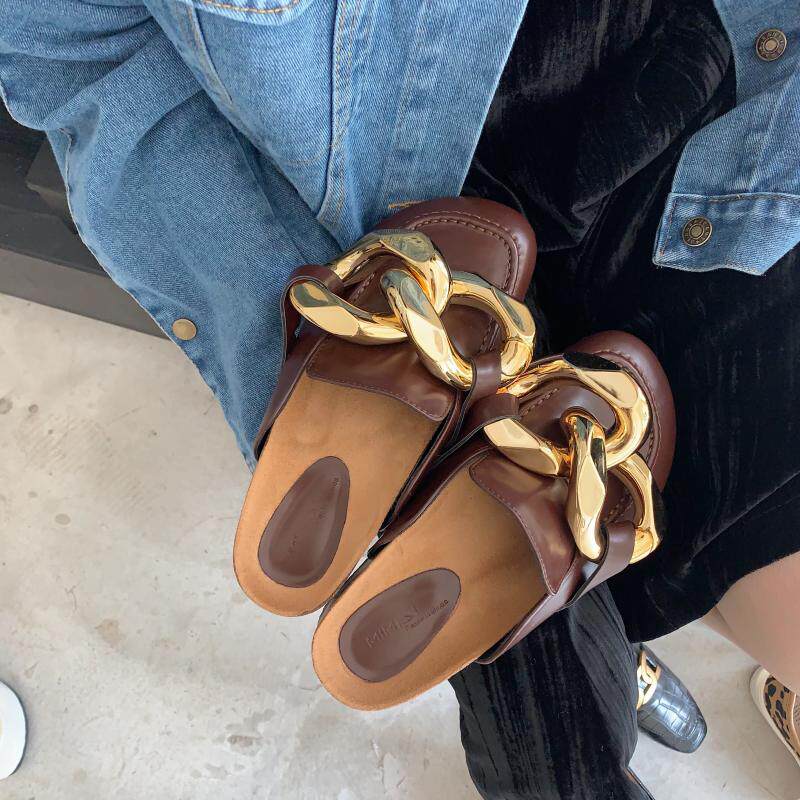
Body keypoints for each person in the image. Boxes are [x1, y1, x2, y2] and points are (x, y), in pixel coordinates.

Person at [1, 1, 798, 797]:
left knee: (551, 672)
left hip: (596, 193)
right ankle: (592, 637)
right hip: (544, 176)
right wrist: (280, 331)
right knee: (565, 624)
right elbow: (78, 58)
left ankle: (590, 636)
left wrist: (298, 340)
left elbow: (80, 68)